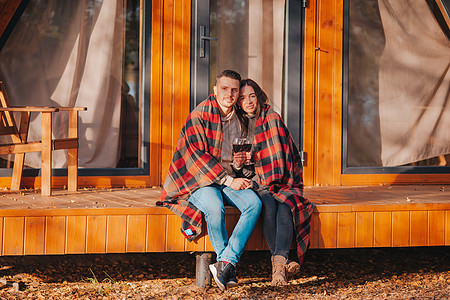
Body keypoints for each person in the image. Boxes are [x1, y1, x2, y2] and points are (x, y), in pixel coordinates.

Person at [158, 70, 262, 292]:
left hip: (228, 178)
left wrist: (237, 165)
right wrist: (227, 179)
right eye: (224, 89)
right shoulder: (199, 115)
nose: (230, 94)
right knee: (214, 208)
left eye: (234, 90)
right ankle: (228, 266)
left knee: (254, 203)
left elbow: (238, 161)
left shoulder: (240, 118)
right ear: (215, 90)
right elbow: (196, 156)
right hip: (200, 180)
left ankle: (225, 263)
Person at [232, 78, 315, 286]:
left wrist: (256, 159)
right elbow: (240, 168)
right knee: (267, 204)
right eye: (243, 98)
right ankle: (283, 264)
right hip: (257, 182)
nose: (248, 101)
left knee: (285, 205)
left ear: (258, 96)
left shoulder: (272, 118)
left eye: (252, 96)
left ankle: (278, 267)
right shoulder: (238, 124)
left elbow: (281, 155)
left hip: (283, 180)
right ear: (238, 102)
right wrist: (240, 165)